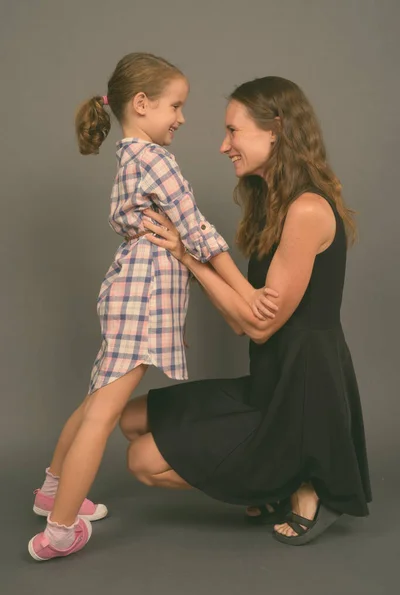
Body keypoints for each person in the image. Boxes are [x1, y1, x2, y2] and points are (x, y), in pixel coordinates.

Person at [28, 53, 279, 561]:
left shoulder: (130, 156)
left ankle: (51, 493)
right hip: (143, 296)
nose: (182, 118)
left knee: (96, 397)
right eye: (176, 106)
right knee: (104, 411)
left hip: (128, 287)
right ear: (141, 105)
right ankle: (59, 529)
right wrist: (248, 292)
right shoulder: (156, 160)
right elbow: (197, 231)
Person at [119, 75, 372, 546]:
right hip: (267, 383)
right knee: (129, 418)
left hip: (301, 396)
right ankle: (272, 487)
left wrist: (187, 255)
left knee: (142, 462)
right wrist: (183, 253)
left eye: (233, 131)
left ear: (274, 130)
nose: (223, 145)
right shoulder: (271, 206)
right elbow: (244, 319)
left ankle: (295, 482)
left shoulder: (307, 210)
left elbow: (257, 326)